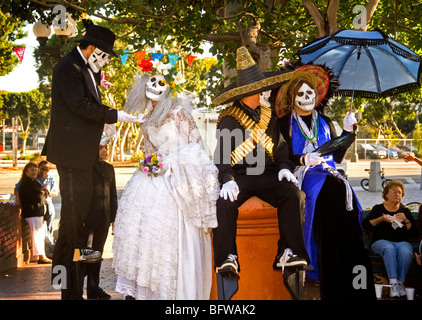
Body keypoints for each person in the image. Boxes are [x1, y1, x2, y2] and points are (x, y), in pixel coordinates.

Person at [41, 19, 141, 300]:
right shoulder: (68, 67)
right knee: (71, 227)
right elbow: (80, 106)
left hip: (85, 157)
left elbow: (92, 108)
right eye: (106, 55)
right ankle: (66, 291)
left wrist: (108, 121)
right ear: (94, 49)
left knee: (88, 227)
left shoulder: (89, 71)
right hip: (71, 157)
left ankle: (87, 285)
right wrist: (115, 116)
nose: (107, 61)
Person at [112, 65, 219, 300]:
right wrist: (150, 163)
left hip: (180, 177)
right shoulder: (146, 120)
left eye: (162, 83)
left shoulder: (178, 112)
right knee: (145, 228)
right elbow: (150, 151)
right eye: (152, 82)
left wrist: (172, 163)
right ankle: (148, 286)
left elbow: (195, 146)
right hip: (157, 177)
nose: (156, 87)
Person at [275, 64, 375, 299]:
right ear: (292, 97)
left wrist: (347, 133)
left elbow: (336, 155)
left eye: (310, 92)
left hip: (332, 178)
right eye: (300, 93)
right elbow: (279, 155)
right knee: (330, 207)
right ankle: (331, 278)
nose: (306, 97)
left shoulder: (327, 121)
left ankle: (356, 281)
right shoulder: (283, 124)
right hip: (303, 177)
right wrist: (302, 158)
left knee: (346, 213)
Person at [211, 46, 310, 280]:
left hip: (268, 174)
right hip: (241, 177)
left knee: (293, 195)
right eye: (260, 90)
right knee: (224, 202)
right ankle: (227, 257)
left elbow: (281, 146)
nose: (264, 92)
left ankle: (289, 251)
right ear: (251, 92)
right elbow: (222, 155)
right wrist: (227, 179)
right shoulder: (229, 119)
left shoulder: (268, 115)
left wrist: (285, 168)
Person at [362, 180, 419, 298]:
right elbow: (366, 225)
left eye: (399, 192)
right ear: (386, 194)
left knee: (405, 252)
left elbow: (414, 234)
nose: (397, 194)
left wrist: (406, 220)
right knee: (389, 248)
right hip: (380, 242)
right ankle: (393, 283)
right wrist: (381, 219)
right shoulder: (378, 209)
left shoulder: (405, 211)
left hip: (402, 242)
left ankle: (400, 283)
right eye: (394, 192)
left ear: (402, 196)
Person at [83, 136, 117, 300]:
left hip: (103, 220)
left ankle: (93, 288)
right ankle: (77, 288)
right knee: (86, 254)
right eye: (100, 148)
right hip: (87, 219)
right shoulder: (86, 168)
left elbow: (113, 195)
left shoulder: (110, 168)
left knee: (97, 254)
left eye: (105, 148)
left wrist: (113, 218)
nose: (104, 151)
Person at [14, 161, 58, 258]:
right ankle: (41, 256)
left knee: (43, 232)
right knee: (37, 235)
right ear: (26, 172)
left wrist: (45, 192)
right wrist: (18, 202)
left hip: (40, 211)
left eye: (35, 170)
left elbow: (48, 193)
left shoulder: (34, 182)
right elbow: (39, 196)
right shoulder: (26, 183)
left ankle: (43, 254)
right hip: (32, 212)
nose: (34, 172)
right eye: (32, 170)